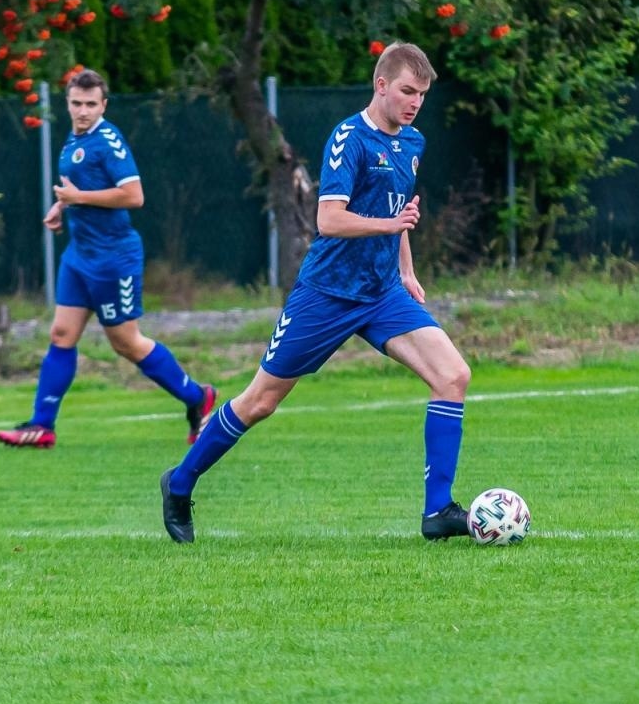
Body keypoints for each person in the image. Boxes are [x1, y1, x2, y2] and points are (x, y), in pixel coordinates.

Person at [159, 42, 472, 545]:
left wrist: (406, 269)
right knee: (260, 402)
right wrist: (390, 225)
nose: (415, 102)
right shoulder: (349, 138)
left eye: (422, 95)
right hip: (326, 293)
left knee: (453, 375)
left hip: (382, 292)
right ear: (382, 85)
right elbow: (328, 219)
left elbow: (401, 216)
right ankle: (179, 482)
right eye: (408, 92)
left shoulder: (412, 142)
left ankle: (437, 513)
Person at [0, 68, 216, 450]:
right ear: (68, 104)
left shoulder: (108, 141)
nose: (83, 111)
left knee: (126, 343)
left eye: (91, 105)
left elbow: (133, 195)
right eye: (77, 104)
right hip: (80, 256)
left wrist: (77, 199)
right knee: (61, 334)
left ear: (104, 105)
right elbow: (81, 187)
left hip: (114, 259)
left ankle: (199, 399)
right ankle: (42, 426)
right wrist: (62, 206)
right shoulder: (75, 137)